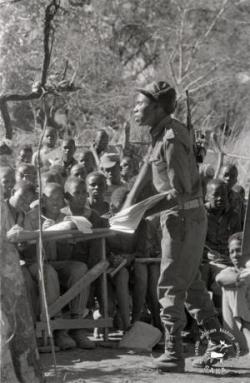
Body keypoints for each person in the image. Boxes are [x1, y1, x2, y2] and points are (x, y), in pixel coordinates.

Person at [127, 80, 223, 372]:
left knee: (169, 284)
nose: (135, 109)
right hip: (177, 218)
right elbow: (147, 169)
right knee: (191, 284)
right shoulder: (159, 134)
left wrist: (139, 213)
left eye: (140, 104)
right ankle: (221, 346)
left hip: (182, 218)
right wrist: (127, 207)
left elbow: (179, 193)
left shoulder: (171, 139)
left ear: (157, 107)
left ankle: (173, 353)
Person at [22, 182, 94, 350]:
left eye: (60, 198)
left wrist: (67, 239)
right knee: (49, 272)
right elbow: (24, 247)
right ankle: (57, 328)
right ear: (43, 200)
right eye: (52, 199)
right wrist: (40, 233)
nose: (56, 202)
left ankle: (77, 326)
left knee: (80, 268)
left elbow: (67, 253)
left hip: (57, 261)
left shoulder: (66, 217)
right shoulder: (32, 217)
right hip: (35, 263)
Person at [216, 232, 250, 353]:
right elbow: (220, 279)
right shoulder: (229, 271)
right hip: (238, 336)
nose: (235, 255)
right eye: (232, 252)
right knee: (233, 287)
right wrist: (239, 279)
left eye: (239, 250)